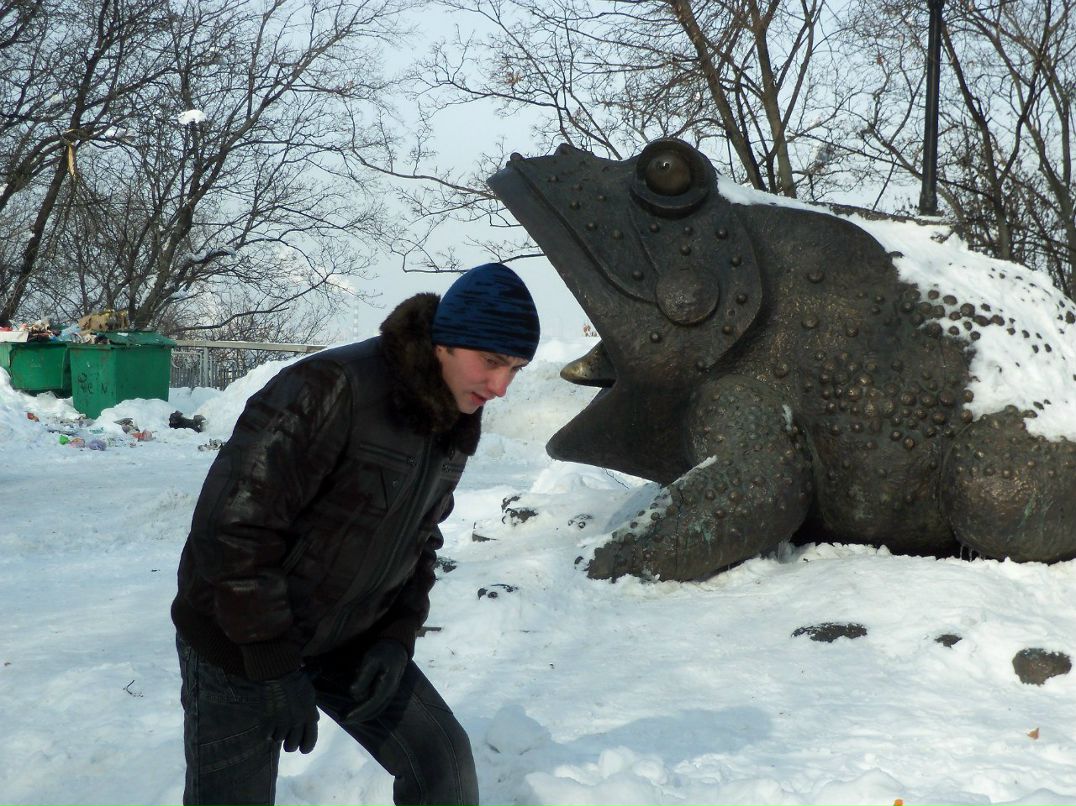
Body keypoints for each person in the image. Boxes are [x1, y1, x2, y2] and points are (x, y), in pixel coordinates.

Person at [171, 262, 540, 806]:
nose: (501, 387)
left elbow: (420, 537)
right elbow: (232, 528)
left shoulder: (454, 411)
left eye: (515, 369)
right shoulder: (329, 387)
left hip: (349, 636)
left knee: (442, 764)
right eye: (491, 362)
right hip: (241, 637)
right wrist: (273, 665)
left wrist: (395, 638)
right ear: (443, 342)